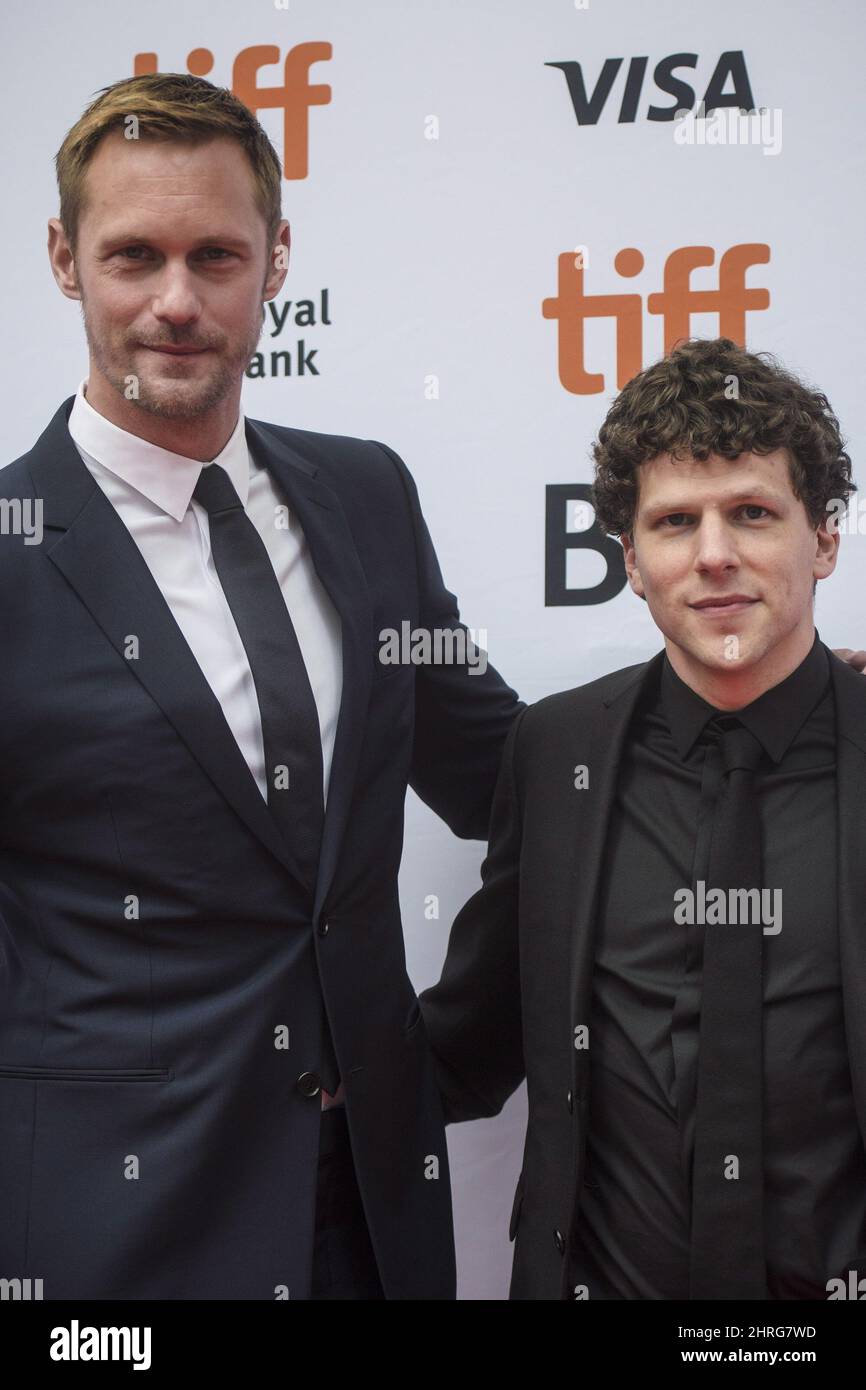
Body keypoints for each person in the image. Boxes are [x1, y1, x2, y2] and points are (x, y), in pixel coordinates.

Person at [0, 71, 524, 1300]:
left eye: (216, 256)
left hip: (374, 1212)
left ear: (276, 260)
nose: (175, 303)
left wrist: (747, 699)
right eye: (133, 256)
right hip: (114, 1232)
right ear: (65, 261)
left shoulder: (365, 496)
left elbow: (517, 773)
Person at [420, 336, 866, 1300]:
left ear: (824, 537)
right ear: (628, 557)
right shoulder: (556, 753)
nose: (715, 557)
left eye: (752, 512)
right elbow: (471, 1037)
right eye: (675, 523)